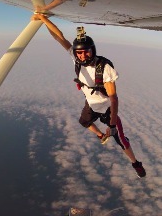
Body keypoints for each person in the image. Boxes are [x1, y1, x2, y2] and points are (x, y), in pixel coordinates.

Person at [31, 13, 146, 178]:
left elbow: (113, 99)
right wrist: (43, 19)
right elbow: (59, 37)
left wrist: (112, 125)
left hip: (106, 108)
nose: (83, 56)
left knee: (121, 140)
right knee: (84, 122)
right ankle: (101, 136)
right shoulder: (75, 58)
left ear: (92, 50)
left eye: (86, 52)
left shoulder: (104, 68)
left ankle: (135, 163)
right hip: (91, 103)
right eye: (80, 53)